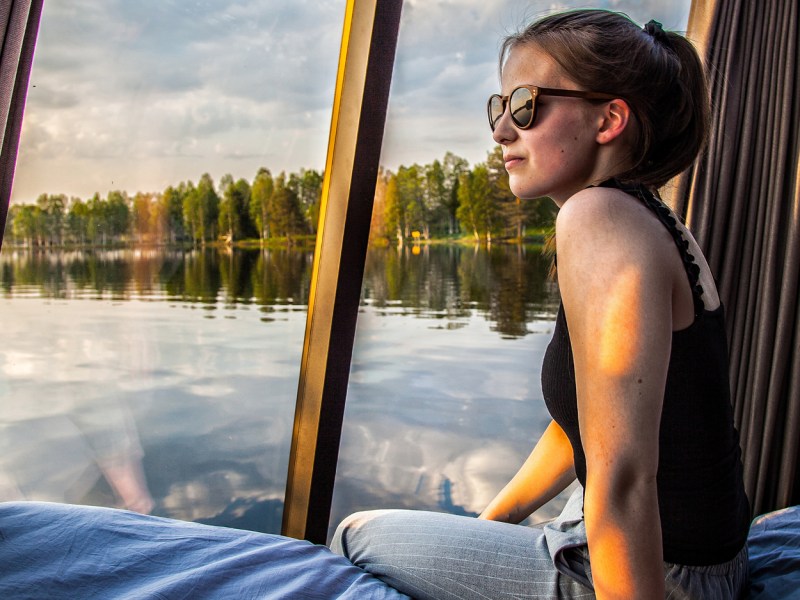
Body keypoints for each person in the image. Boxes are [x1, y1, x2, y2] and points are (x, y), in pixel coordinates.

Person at [330, 9, 750, 599]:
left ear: (609, 119)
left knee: (356, 534)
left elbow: (625, 478)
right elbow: (581, 424)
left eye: (525, 105)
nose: (502, 130)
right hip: (705, 562)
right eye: (497, 108)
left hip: (665, 578)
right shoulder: (648, 219)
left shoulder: (599, 218)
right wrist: (488, 526)